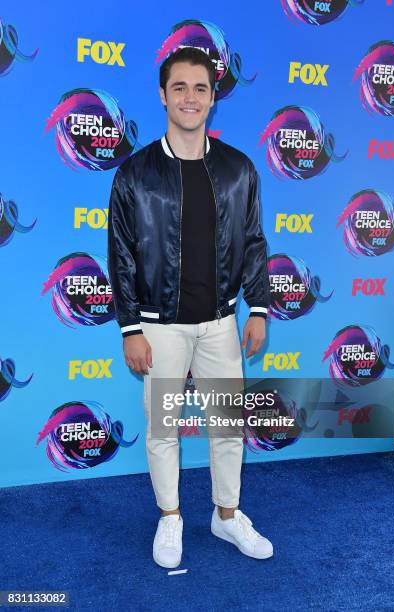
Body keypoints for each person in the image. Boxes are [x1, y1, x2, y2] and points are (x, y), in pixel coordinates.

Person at [107, 46, 273, 569]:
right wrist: (130, 326)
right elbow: (121, 254)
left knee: (227, 427)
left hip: (221, 325)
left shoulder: (238, 169)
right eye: (179, 87)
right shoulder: (134, 174)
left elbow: (252, 241)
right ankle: (170, 517)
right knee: (163, 431)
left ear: (213, 98)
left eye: (200, 88)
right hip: (159, 329)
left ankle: (226, 517)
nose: (190, 98)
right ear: (162, 95)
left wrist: (260, 308)